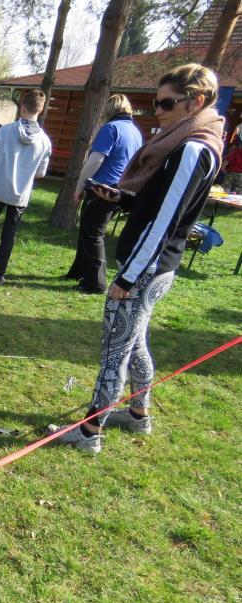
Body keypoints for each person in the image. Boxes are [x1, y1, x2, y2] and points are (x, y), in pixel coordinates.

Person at [49, 64, 224, 453]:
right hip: (156, 265)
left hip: (147, 268)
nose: (157, 111)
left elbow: (165, 223)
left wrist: (127, 278)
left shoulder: (193, 148)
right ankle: (139, 413)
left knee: (115, 349)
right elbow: (162, 205)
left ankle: (90, 432)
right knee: (134, 340)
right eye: (154, 102)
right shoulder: (192, 141)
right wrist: (124, 197)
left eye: (165, 103)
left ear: (195, 102)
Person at [65, 94, 143, 293]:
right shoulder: (135, 131)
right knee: (87, 230)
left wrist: (80, 186)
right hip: (121, 188)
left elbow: (95, 160)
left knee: (93, 233)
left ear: (109, 110)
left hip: (102, 188)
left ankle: (96, 283)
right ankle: (78, 272)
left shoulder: (111, 128)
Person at [0, 89, 52, 285]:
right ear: (41, 110)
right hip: (19, 195)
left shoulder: (5, 131)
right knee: (8, 234)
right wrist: (25, 174)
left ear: (22, 107)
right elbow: (41, 173)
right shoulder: (45, 141)